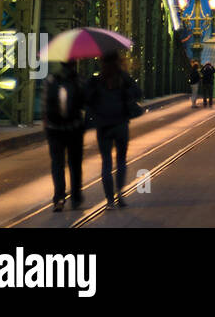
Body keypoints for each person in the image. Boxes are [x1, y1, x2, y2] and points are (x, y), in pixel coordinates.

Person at [84, 52, 141, 209]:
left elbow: (86, 97)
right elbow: (138, 92)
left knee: (106, 163)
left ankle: (109, 200)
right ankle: (120, 194)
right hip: (121, 124)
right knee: (121, 161)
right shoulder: (122, 78)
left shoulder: (97, 80)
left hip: (103, 126)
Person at [43, 61, 85, 212]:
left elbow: (45, 105)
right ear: (74, 64)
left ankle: (59, 198)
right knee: (75, 164)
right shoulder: (79, 80)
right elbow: (84, 103)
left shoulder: (51, 80)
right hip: (74, 129)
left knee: (57, 164)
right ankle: (76, 197)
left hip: (54, 130)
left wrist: (47, 127)